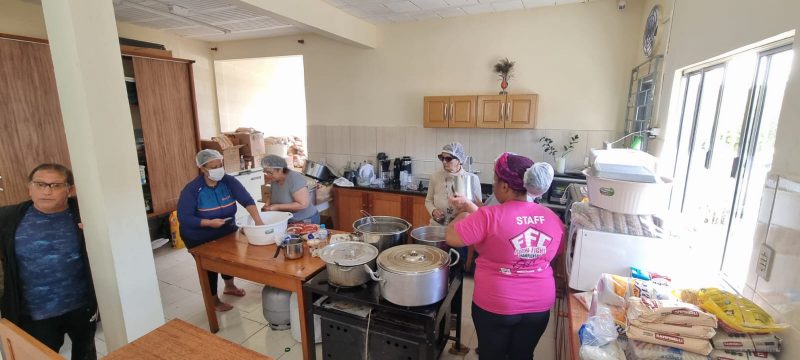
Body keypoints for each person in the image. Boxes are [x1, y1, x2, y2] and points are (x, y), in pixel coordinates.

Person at [445, 152, 562, 360]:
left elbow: (452, 237)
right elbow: (556, 252)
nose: (494, 184)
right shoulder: (553, 218)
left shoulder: (488, 216)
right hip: (539, 305)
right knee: (523, 354)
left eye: (495, 180)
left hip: (497, 304)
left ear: (505, 186)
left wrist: (461, 215)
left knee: (492, 355)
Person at [0, 163, 98, 359]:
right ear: (29, 188)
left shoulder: (86, 213)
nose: (46, 191)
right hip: (35, 314)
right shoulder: (8, 217)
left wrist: (96, 230)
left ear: (69, 190)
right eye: (39, 184)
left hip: (80, 306)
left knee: (85, 352)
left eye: (55, 185)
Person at [177, 149, 264, 312]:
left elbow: (246, 199)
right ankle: (213, 301)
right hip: (199, 235)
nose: (219, 169)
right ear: (203, 169)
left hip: (225, 229)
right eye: (213, 166)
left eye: (220, 165)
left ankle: (229, 287)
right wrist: (208, 223)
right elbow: (184, 217)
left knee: (229, 259)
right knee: (210, 267)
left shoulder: (228, 181)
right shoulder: (192, 190)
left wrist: (259, 222)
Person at [425, 142, 482, 225]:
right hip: (436, 226)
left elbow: (478, 207)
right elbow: (428, 201)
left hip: (460, 228)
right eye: (442, 158)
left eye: (448, 158)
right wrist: (433, 211)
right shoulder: (435, 177)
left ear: (459, 160)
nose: (444, 161)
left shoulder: (472, 179)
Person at [261, 155, 319, 224]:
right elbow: (272, 195)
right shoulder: (275, 179)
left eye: (270, 172)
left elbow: (303, 204)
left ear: (280, 169)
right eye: (265, 172)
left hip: (305, 220)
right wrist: (267, 205)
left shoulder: (295, 178)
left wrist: (277, 207)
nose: (267, 175)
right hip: (287, 219)